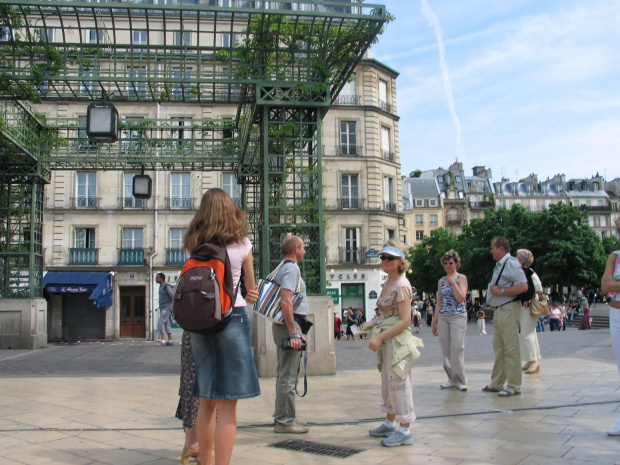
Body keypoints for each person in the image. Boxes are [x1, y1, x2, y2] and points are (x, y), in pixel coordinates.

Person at [184, 188, 260, 465]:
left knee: (207, 400)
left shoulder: (195, 244)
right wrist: (252, 292)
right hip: (233, 318)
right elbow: (251, 290)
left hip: (202, 323)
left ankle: (205, 462)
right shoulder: (243, 245)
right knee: (228, 406)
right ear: (231, 212)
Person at [360, 240, 422, 447]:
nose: (385, 260)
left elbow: (405, 320)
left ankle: (404, 430)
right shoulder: (388, 282)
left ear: (400, 261)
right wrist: (372, 325)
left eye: (390, 258)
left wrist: (380, 336)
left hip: (397, 341)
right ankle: (389, 422)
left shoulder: (401, 285)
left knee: (399, 383)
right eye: (383, 257)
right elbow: (387, 314)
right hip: (389, 339)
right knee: (388, 383)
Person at [272, 235, 311, 434]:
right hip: (289, 324)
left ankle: (284, 416)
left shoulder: (282, 266)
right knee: (288, 376)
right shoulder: (291, 268)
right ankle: (285, 422)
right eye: (303, 247)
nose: (305, 251)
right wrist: (293, 331)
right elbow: (286, 301)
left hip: (286, 325)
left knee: (284, 374)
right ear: (296, 249)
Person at [482, 236, 528, 397]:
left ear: (500, 248)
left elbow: (523, 285)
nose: (491, 251)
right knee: (499, 348)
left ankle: (514, 385)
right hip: (500, 310)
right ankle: (497, 382)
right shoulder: (501, 265)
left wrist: (501, 292)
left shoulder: (511, 264)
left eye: (492, 248)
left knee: (511, 348)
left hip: (508, 308)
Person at [433, 250, 469, 391]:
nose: (448, 265)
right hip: (443, 317)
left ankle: (461, 379)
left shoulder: (461, 278)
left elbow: (461, 297)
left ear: (456, 264)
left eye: (451, 263)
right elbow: (438, 302)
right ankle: (451, 378)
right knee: (446, 349)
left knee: (457, 347)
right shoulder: (440, 281)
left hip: (458, 316)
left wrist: (453, 283)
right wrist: (435, 321)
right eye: (446, 263)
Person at [600, 218, 620, 436]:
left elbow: (611, 283)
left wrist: (615, 283)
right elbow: (605, 285)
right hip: (616, 312)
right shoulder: (614, 256)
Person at [175, 331, 202, 464]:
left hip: (190, 328)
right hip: (209, 331)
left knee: (190, 383)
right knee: (207, 391)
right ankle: (201, 447)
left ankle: (190, 445)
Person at [516, 249, 542, 375]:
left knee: (526, 334)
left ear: (521, 260)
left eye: (517, 257)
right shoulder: (529, 271)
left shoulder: (525, 271)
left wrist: (527, 299)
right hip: (531, 305)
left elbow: (530, 287)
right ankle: (532, 359)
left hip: (528, 306)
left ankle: (533, 361)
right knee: (531, 333)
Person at [155, 272, 175, 346]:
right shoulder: (161, 286)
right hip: (163, 307)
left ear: (161, 278)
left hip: (166, 307)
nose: (156, 279)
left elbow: (172, 295)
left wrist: (171, 305)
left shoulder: (166, 286)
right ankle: (170, 340)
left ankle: (162, 340)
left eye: (157, 278)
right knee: (167, 323)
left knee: (161, 322)